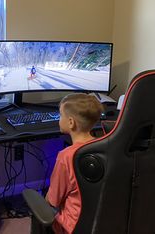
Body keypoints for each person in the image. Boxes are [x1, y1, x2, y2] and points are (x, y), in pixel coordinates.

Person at [45, 93, 104, 234]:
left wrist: (43, 200)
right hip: (101, 222)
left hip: (71, 227)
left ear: (71, 122)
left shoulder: (66, 157)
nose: (59, 119)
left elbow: (53, 201)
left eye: (60, 115)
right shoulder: (104, 147)